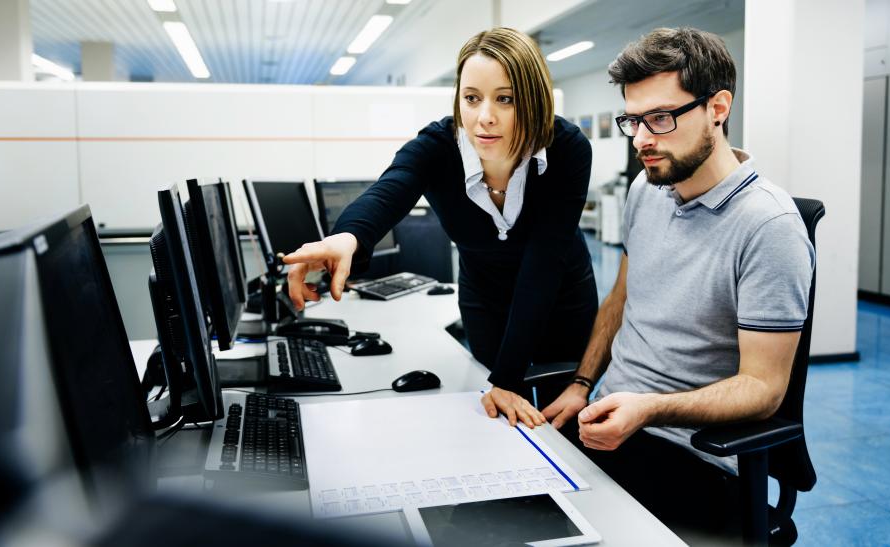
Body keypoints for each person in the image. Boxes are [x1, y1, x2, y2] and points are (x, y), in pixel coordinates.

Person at [539, 27, 814, 539]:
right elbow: (622, 297)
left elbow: (764, 390)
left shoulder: (769, 227)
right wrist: (581, 384)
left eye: (661, 118)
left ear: (718, 107)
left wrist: (648, 409)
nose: (642, 139)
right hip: (611, 426)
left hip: (694, 455)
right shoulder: (648, 187)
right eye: (633, 120)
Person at [282, 28, 598, 427]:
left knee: (559, 418)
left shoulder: (567, 148)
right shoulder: (437, 147)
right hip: (484, 295)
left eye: (506, 98)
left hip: (559, 294)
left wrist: (508, 376)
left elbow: (544, 262)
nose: (484, 116)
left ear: (533, 99)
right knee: (496, 417)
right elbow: (389, 190)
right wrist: (347, 238)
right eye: (472, 98)